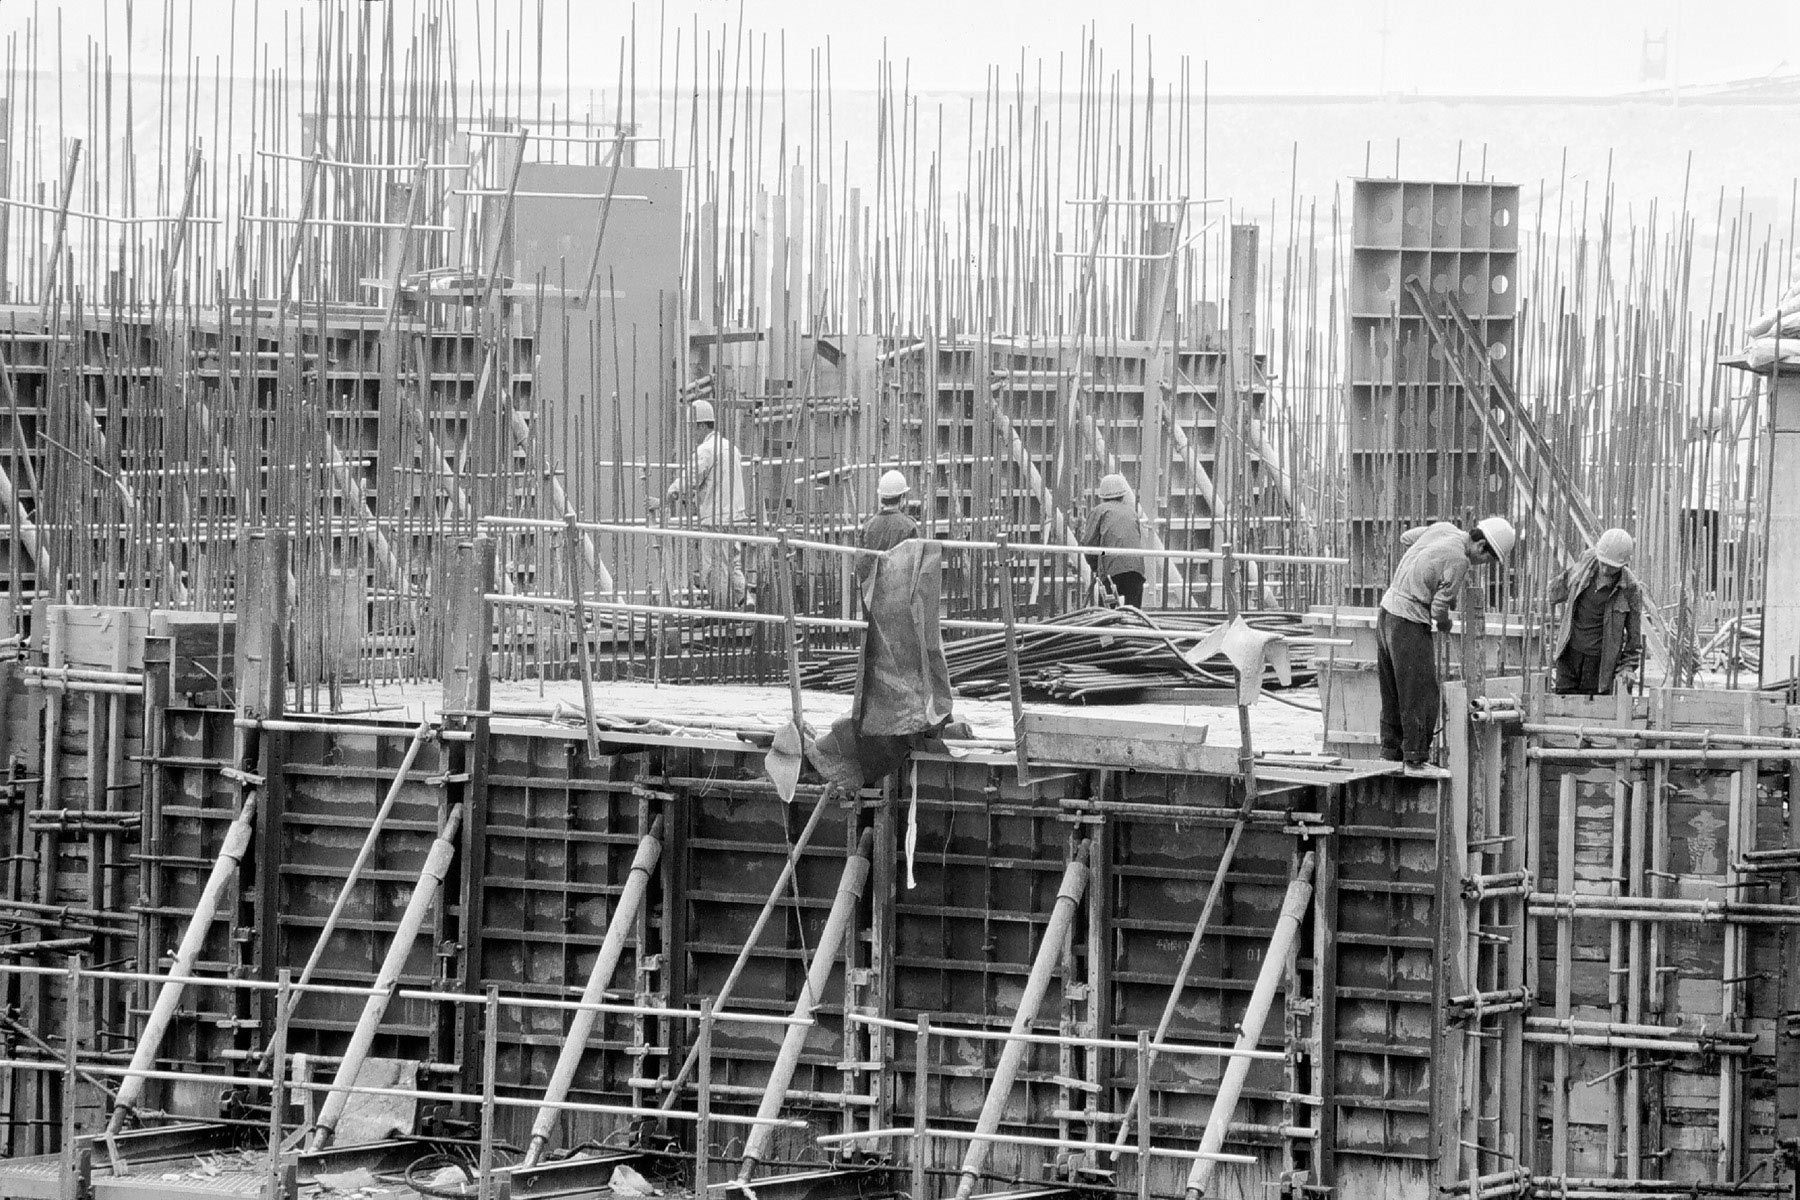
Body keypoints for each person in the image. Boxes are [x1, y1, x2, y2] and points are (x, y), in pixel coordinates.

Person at [1377, 515, 1517, 778]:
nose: (1482, 564)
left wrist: (1430, 573)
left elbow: (1407, 538)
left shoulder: (1444, 529)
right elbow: (1439, 608)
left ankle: (1390, 754)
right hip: (1408, 619)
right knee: (1420, 692)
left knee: (1394, 691)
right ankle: (1415, 760)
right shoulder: (1460, 559)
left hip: (1386, 613)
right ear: (1481, 546)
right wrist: (1444, 624)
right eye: (1487, 559)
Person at [662, 399, 750, 608]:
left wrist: (672, 491)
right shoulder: (732, 448)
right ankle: (744, 601)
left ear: (701, 425)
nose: (692, 433)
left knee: (714, 567)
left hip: (716, 517)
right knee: (732, 563)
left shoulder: (707, 450)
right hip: (735, 516)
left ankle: (721, 613)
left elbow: (690, 477)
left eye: (693, 428)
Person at [1547, 527, 1644, 696]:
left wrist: (1627, 667)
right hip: (1569, 654)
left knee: (1592, 714)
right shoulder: (1586, 562)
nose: (1606, 570)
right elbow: (1555, 591)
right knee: (1562, 710)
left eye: (1612, 567)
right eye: (1603, 563)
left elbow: (1634, 641)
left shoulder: (1631, 589)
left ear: (1623, 564)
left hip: (1599, 665)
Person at [1081, 474, 1148, 608]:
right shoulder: (1131, 512)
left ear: (1102, 497)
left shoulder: (1099, 511)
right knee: (1133, 617)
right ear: (1123, 496)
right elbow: (1134, 539)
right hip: (1136, 570)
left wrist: (1095, 567)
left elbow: (1089, 544)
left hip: (1111, 570)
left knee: (1107, 616)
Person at [858, 469, 919, 586]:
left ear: (882, 497)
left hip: (874, 592)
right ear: (902, 497)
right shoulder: (909, 526)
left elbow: (862, 565)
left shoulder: (868, 526)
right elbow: (916, 563)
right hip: (901, 591)